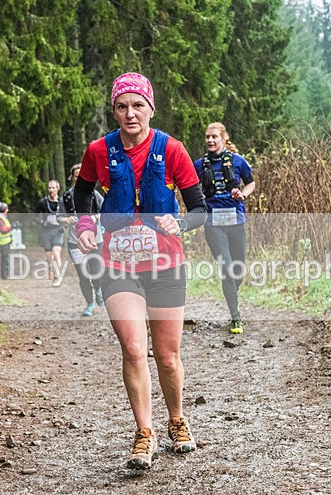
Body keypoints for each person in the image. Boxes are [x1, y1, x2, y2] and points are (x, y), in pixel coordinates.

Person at [74, 72, 207, 470]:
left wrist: (179, 224)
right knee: (133, 348)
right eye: (122, 106)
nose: (130, 113)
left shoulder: (174, 150)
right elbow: (82, 193)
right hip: (117, 264)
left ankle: (177, 420)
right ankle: (144, 433)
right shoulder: (99, 150)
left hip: (166, 263)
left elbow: (200, 209)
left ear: (151, 107)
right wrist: (84, 225)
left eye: (137, 105)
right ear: (114, 110)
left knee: (166, 356)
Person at [193, 122, 256, 335]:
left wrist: (243, 194)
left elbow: (251, 183)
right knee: (227, 269)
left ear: (223, 139)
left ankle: (232, 294)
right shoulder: (199, 165)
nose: (210, 140)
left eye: (214, 137)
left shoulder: (238, 162)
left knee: (238, 270)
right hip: (213, 225)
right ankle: (235, 317)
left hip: (236, 222)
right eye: (207, 137)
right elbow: (189, 187)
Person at [60, 163, 105, 317]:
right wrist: (67, 220)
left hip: (95, 239)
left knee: (95, 270)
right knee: (82, 274)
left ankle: (98, 288)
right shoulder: (66, 197)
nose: (79, 178)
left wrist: (94, 217)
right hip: (74, 240)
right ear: (72, 178)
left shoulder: (94, 194)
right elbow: (60, 217)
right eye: (76, 176)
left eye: (81, 175)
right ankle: (90, 304)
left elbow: (105, 211)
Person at [36, 180, 65, 286]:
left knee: (56, 252)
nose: (51, 190)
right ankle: (50, 267)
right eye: (49, 188)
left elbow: (67, 215)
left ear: (58, 188)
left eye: (53, 187)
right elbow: (35, 216)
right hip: (46, 230)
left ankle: (58, 276)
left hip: (58, 230)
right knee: (49, 256)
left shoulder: (62, 202)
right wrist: (43, 222)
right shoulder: (43, 202)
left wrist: (64, 225)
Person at [0, 201, 12, 279]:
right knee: (5, 259)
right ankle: (5, 276)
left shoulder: (2, 218)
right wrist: (11, 228)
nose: (8, 210)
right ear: (4, 210)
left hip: (6, 242)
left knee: (6, 259)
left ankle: (6, 275)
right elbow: (3, 230)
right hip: (3, 242)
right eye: (6, 209)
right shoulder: (0, 219)